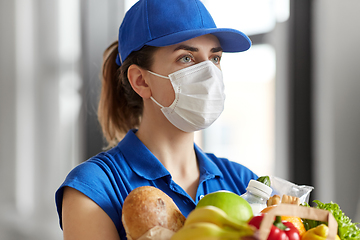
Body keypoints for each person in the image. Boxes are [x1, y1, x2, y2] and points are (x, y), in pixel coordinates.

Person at [55, 0, 258, 239]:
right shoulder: (94, 187)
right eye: (186, 58)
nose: (209, 74)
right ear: (141, 80)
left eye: (215, 58)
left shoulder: (244, 182)